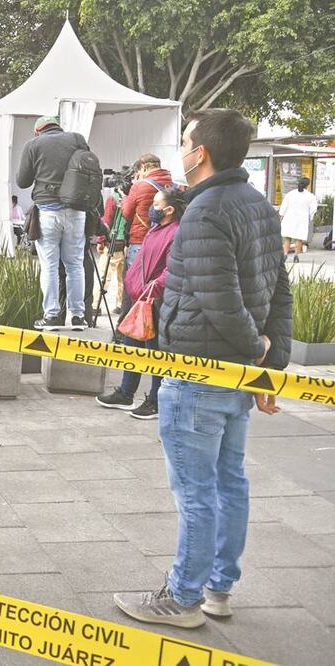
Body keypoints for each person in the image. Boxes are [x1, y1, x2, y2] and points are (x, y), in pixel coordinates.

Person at [113, 109, 292, 629]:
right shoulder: (258, 205)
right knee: (229, 481)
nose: (181, 148)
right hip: (235, 375)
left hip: (200, 370)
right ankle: (218, 589)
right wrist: (267, 365)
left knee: (197, 491)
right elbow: (280, 290)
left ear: (202, 153)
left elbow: (219, 299)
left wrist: (258, 355)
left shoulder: (207, 210)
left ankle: (183, 598)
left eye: (185, 140)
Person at [96, 187, 184, 419]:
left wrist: (153, 288)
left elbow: (172, 268)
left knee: (155, 351)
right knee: (131, 343)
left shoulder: (175, 233)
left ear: (169, 210)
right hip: (141, 299)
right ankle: (126, 392)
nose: (150, 209)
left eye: (155, 205)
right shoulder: (156, 229)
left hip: (156, 301)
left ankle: (155, 400)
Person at [15, 115, 90, 331]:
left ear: (38, 131)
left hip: (47, 212)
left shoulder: (34, 144)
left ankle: (51, 317)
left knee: (49, 266)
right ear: (59, 127)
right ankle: (78, 317)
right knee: (75, 264)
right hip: (76, 211)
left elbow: (22, 181)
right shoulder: (76, 139)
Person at [120, 154, 173, 291]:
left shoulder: (139, 186)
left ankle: (138, 311)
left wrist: (125, 197)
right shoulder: (172, 183)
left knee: (137, 281)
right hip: (165, 238)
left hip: (140, 239)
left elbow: (126, 213)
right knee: (156, 280)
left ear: (144, 167)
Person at [94, 183, 130, 314]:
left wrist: (100, 240)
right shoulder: (132, 197)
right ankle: (121, 304)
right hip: (127, 243)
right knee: (123, 278)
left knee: (104, 275)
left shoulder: (113, 199)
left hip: (112, 243)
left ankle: (95, 305)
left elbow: (107, 221)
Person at [279, 177, 317, 260]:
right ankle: (296, 255)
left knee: (288, 237)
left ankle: (285, 254)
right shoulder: (310, 196)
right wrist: (310, 218)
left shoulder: (290, 194)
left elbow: (284, 206)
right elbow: (313, 209)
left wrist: (281, 216)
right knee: (299, 238)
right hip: (302, 219)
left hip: (289, 217)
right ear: (308, 185)